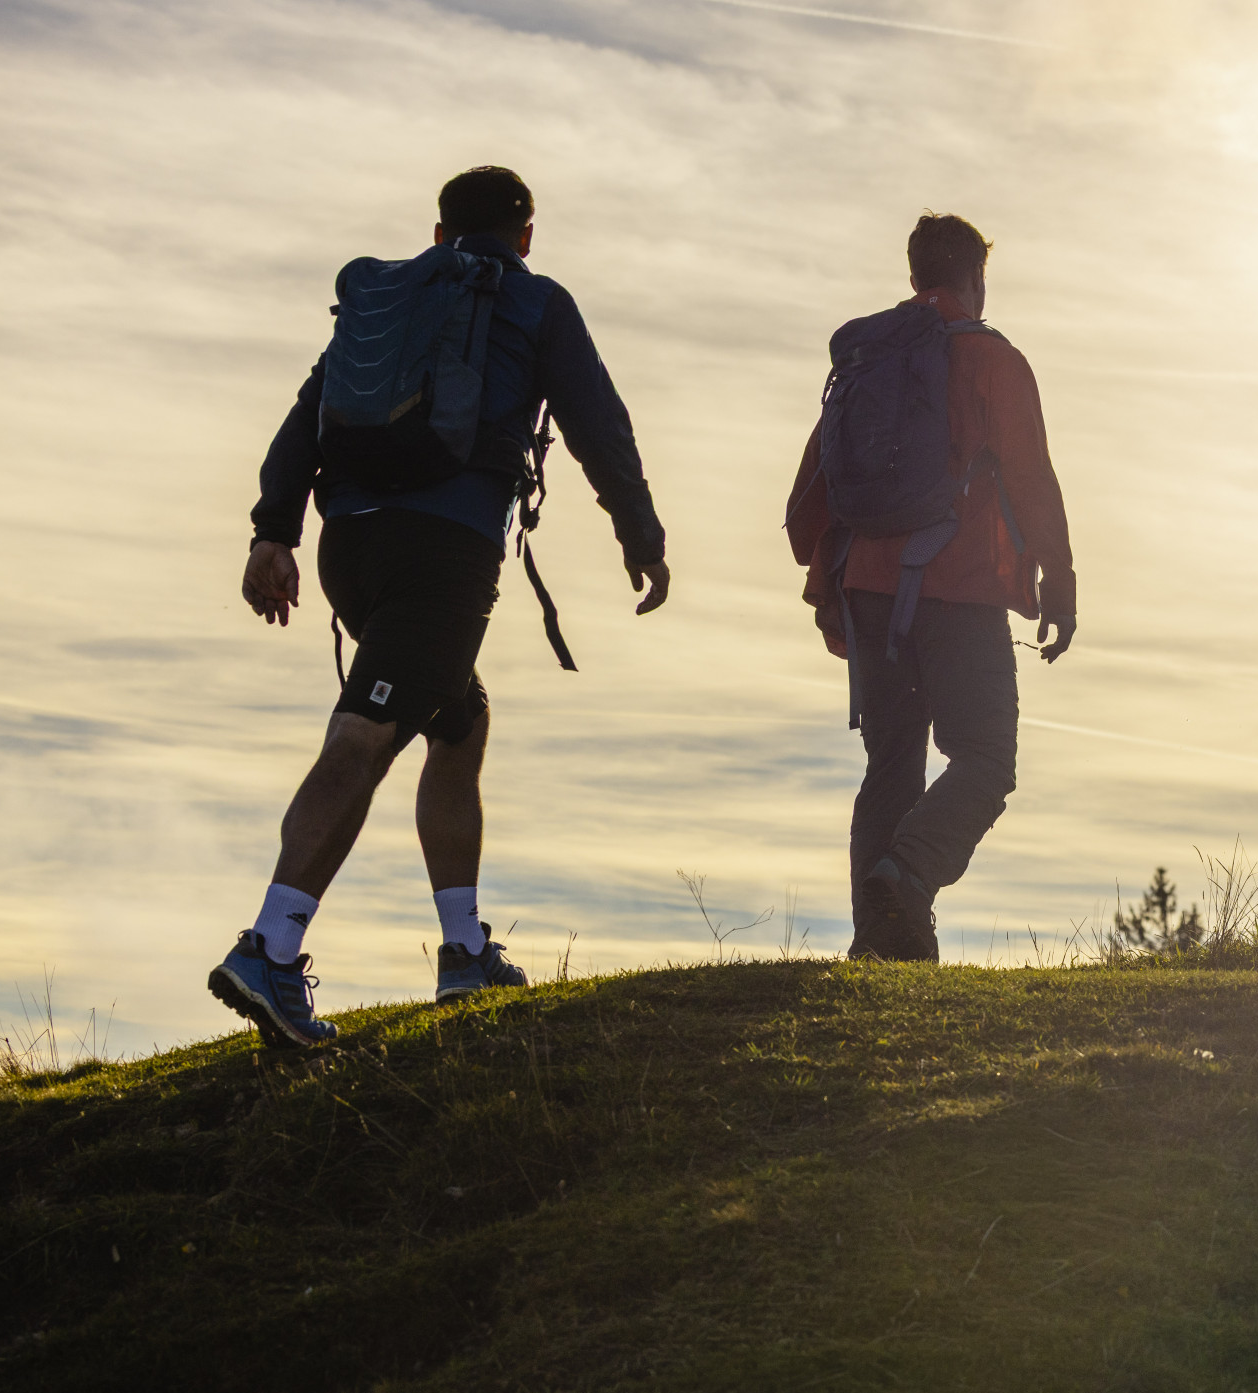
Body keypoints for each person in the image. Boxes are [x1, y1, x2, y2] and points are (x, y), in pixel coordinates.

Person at [213, 165, 672, 1047]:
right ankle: (268, 947)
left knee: (459, 720)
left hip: (352, 548)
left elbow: (307, 414)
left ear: (436, 232)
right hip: (447, 554)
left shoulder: (390, 299)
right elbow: (598, 422)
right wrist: (640, 535)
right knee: (363, 736)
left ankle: (464, 952)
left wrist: (274, 529)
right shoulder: (536, 302)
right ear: (526, 236)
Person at [785, 214, 1075, 962]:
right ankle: (906, 876)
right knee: (985, 756)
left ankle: (880, 947)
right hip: (960, 586)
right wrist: (1059, 576)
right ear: (975, 280)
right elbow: (1031, 479)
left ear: (916, 275)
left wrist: (831, 585)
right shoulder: (991, 360)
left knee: (890, 766)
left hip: (870, 592)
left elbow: (805, 504)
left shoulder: (868, 359)